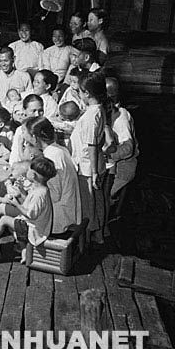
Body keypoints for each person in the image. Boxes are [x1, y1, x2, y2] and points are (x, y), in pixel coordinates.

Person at [0, 157, 56, 263]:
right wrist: (22, 191)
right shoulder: (40, 189)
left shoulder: (38, 194)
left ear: (33, 175)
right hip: (35, 225)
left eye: (29, 170)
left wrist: (16, 204)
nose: (27, 172)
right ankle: (24, 251)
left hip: (34, 230)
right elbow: (28, 203)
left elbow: (30, 214)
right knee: (13, 224)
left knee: (4, 220)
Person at [22, 117, 81, 234]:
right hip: (68, 210)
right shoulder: (59, 149)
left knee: (13, 209)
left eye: (25, 132)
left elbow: (54, 195)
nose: (23, 136)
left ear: (34, 137)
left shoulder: (52, 157)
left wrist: (28, 188)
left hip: (59, 219)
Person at [70, 72, 109, 244]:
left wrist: (93, 173)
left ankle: (88, 239)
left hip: (88, 167)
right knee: (97, 201)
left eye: (79, 91)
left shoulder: (92, 115)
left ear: (87, 93)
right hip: (94, 163)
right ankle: (99, 234)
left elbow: (91, 144)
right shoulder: (98, 109)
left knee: (88, 205)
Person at [104, 77, 139, 201]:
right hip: (111, 168)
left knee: (103, 199)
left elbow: (128, 148)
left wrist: (106, 155)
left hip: (121, 171)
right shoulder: (108, 113)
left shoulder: (120, 118)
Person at [9, 94, 44, 165]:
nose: (37, 114)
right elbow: (14, 156)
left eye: (40, 110)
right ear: (24, 111)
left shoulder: (47, 129)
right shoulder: (21, 130)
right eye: (33, 111)